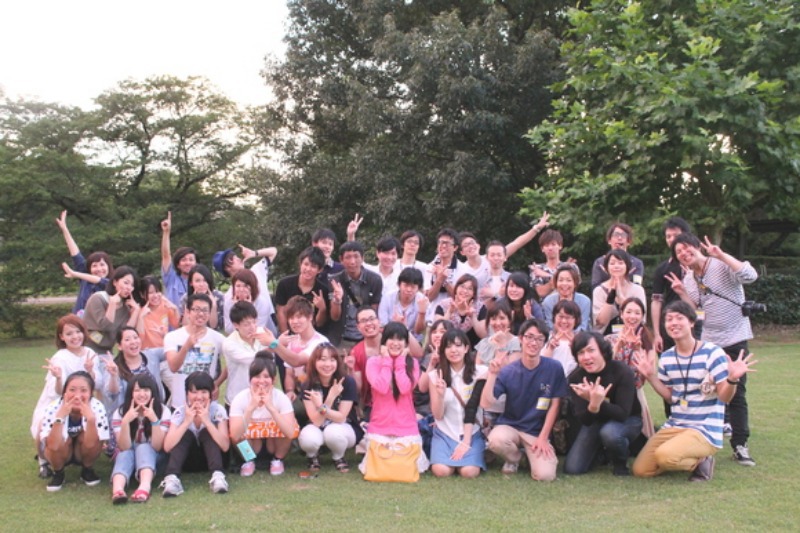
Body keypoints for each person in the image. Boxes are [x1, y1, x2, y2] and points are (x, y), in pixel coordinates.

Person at [632, 301, 757, 481]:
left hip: (704, 428)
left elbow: (725, 397)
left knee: (664, 456)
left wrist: (732, 379)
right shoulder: (666, 358)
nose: (673, 323)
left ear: (691, 322)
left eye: (679, 318)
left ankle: (702, 460)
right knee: (641, 470)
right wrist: (651, 376)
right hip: (676, 424)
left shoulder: (712, 353)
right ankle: (687, 457)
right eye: (669, 319)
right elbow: (670, 397)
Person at [669, 233, 760, 466]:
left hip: (735, 337)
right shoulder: (689, 279)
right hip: (710, 341)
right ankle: (705, 438)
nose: (684, 253)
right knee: (707, 390)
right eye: (679, 252)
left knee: (736, 392)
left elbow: (750, 276)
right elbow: (696, 312)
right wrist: (681, 292)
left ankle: (740, 444)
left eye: (686, 248)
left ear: (697, 246)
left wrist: (722, 255)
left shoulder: (720, 264)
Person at [480, 319, 567, 481]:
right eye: (529, 337)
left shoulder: (554, 368)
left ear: (544, 342)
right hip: (510, 427)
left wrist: (543, 437)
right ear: (521, 338)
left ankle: (530, 455)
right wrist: (492, 374)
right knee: (495, 440)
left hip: (536, 432)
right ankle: (514, 459)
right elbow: (485, 403)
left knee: (545, 476)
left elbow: (555, 405)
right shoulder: (508, 371)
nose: (533, 343)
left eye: (539, 339)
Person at [564, 332, 642, 476]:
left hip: (628, 419)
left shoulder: (622, 371)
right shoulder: (576, 377)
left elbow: (622, 413)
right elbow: (585, 420)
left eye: (591, 350)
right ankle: (602, 454)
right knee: (573, 468)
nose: (586, 357)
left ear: (603, 351)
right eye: (581, 353)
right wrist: (593, 405)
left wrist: (596, 401)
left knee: (610, 433)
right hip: (595, 421)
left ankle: (620, 462)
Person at [31, 315, 98, 477]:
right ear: (62, 337)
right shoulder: (60, 357)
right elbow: (56, 391)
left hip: (82, 401)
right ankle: (43, 462)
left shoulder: (90, 353)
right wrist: (59, 377)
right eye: (69, 334)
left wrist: (91, 371)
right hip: (57, 401)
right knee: (42, 427)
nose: (75, 337)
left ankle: (82, 459)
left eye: (78, 331)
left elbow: (95, 384)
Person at [360, 322, 430, 477]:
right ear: (384, 341)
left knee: (404, 465)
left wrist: (400, 362)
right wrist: (387, 361)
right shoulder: (373, 362)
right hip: (380, 426)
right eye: (391, 338)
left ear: (406, 343)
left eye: (400, 339)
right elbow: (381, 387)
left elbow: (404, 388)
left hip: (406, 427)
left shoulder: (413, 364)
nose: (396, 343)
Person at [428, 329, 488, 478]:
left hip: (471, 433)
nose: (453, 350)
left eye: (458, 345)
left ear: (466, 348)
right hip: (445, 432)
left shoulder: (480, 372)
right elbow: (438, 415)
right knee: (441, 471)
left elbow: (479, 406)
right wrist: (440, 395)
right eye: (448, 346)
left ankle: (473, 454)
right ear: (443, 351)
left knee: (469, 472)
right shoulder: (435, 376)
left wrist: (466, 442)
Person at [161, 372, 230, 496]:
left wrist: (207, 422)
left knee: (207, 432)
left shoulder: (217, 410)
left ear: (211, 394)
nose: (199, 397)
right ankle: (172, 478)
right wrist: (187, 422)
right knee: (185, 433)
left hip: (213, 459)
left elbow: (225, 446)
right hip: (188, 460)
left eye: (204, 392)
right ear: (187, 394)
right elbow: (167, 446)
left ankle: (218, 477)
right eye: (194, 392)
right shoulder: (180, 412)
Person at [229, 355, 299, 477]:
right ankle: (249, 460)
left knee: (288, 425)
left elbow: (290, 432)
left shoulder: (281, 398)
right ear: (250, 379)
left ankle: (277, 459)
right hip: (252, 443)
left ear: (273, 380)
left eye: (266, 377)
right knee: (238, 429)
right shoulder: (240, 398)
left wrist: (271, 407)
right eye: (257, 376)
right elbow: (235, 435)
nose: (261, 381)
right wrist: (251, 408)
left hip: (273, 443)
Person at [39, 371, 109, 492]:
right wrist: (59, 417)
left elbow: (92, 444)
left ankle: (87, 469)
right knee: (58, 440)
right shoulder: (53, 407)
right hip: (62, 451)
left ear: (91, 393)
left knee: (96, 438)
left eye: (83, 390)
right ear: (64, 392)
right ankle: (58, 473)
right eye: (72, 390)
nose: (77, 396)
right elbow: (53, 445)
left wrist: (91, 419)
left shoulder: (97, 407)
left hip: (82, 451)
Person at [299, 344, 360, 473]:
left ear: (337, 362)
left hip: (344, 427)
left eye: (332, 360)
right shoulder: (308, 385)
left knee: (332, 432)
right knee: (308, 439)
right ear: (314, 362)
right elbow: (317, 421)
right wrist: (330, 398)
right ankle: (312, 456)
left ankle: (338, 456)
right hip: (318, 426)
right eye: (322, 359)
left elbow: (341, 417)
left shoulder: (347, 382)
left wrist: (321, 406)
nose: (328, 364)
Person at [110, 374, 170, 504]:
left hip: (154, 459)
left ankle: (144, 487)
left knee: (144, 447)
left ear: (153, 392)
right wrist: (125, 422)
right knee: (124, 453)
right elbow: (124, 447)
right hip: (129, 458)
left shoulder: (163, 411)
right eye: (137, 390)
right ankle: (118, 490)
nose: (142, 394)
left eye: (146, 390)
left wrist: (154, 420)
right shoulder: (120, 412)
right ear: (130, 393)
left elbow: (158, 446)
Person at [605, 297, 656, 438]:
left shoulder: (647, 342)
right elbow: (604, 369)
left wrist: (638, 350)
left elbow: (645, 378)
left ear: (642, 316)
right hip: (611, 395)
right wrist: (617, 347)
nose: (632, 316)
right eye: (628, 312)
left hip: (635, 396)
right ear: (621, 314)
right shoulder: (608, 340)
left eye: (637, 313)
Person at [163, 293, 226, 408]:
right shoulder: (172, 337)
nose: (201, 314)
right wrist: (186, 346)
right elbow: (173, 367)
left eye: (205, 310)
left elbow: (232, 362)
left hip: (207, 404)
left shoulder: (218, 338)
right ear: (187, 312)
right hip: (180, 404)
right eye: (196, 309)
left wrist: (217, 383)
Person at [55, 210, 112, 316]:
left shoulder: (113, 283)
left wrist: (75, 274)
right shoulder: (85, 280)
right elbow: (76, 254)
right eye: (94, 266)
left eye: (102, 264)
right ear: (89, 269)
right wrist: (65, 230)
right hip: (79, 322)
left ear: (108, 266)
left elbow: (100, 281)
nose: (99, 269)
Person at [328, 241, 383, 350]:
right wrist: (337, 300)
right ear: (341, 259)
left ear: (362, 258)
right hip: (341, 339)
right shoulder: (334, 280)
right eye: (348, 257)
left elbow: (374, 311)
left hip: (366, 338)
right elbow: (334, 317)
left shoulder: (374, 280)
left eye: (356, 256)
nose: (352, 261)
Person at [651, 217, 693, 352]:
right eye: (668, 236)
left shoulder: (697, 265)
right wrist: (656, 333)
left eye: (675, 235)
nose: (671, 239)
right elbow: (656, 301)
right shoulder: (662, 269)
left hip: (695, 322)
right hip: (670, 324)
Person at [104, 326, 167, 413]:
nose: (133, 342)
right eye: (127, 339)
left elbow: (173, 351)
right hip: (127, 414)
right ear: (119, 346)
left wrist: (166, 337)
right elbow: (112, 394)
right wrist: (113, 376)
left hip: (155, 410)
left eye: (135, 337)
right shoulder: (114, 367)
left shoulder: (151, 355)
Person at [222, 301, 272, 408]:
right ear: (236, 325)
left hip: (263, 398)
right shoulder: (229, 343)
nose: (252, 327)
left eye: (254, 322)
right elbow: (254, 359)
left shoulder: (262, 333)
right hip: (237, 399)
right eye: (246, 324)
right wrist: (274, 345)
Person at [83, 266, 141, 353]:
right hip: (87, 348)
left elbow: (126, 331)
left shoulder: (124, 307)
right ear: (115, 282)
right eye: (126, 283)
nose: (129, 288)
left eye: (132, 285)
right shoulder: (98, 298)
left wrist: (136, 311)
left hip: (107, 351)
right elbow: (106, 326)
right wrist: (112, 305)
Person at [273, 246, 329, 333]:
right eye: (306, 264)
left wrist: (322, 309)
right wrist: (286, 335)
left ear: (320, 270)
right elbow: (281, 313)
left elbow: (319, 323)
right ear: (300, 263)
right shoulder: (284, 284)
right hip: (289, 333)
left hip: (311, 335)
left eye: (313, 266)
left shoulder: (322, 290)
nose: (308, 269)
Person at [592, 250, 646, 335]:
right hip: (606, 337)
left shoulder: (638, 290)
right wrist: (610, 298)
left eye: (620, 263)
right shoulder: (599, 290)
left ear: (627, 266)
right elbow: (600, 323)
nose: (616, 266)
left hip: (633, 335)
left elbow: (642, 320)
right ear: (606, 267)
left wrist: (621, 298)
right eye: (612, 263)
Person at [434, 273, 487, 346]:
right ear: (456, 288)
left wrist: (473, 316)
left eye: (470, 289)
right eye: (462, 286)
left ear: (474, 293)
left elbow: (483, 335)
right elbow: (438, 331)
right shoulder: (444, 305)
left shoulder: (480, 307)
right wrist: (449, 312)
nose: (465, 291)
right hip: (447, 348)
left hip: (473, 349)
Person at [378, 266, 429, 339]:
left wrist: (422, 313)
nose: (409, 289)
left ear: (418, 288)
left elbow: (418, 331)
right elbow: (382, 325)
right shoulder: (387, 298)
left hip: (413, 339)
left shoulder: (423, 300)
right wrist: (395, 325)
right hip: (389, 337)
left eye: (413, 287)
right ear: (399, 285)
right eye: (406, 285)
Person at [222, 269, 277, 335]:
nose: (241, 289)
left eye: (245, 286)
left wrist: (247, 308)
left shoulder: (262, 303)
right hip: (238, 337)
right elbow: (228, 329)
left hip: (264, 336)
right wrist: (236, 309)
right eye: (238, 286)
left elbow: (257, 330)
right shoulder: (229, 301)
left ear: (253, 287)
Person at [591, 222, 645, 290]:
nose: (619, 238)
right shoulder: (600, 262)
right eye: (616, 235)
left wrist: (623, 277)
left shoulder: (637, 263)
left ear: (629, 242)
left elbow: (637, 287)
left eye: (623, 235)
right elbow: (595, 288)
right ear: (609, 240)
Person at [160, 212, 197, 307]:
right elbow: (166, 255)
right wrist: (166, 232)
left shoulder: (200, 281)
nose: (188, 263)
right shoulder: (171, 278)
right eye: (184, 260)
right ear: (178, 264)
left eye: (191, 259)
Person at [529, 228, 577, 300]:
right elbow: (540, 292)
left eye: (553, 244)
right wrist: (558, 278)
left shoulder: (571, 266)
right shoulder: (537, 268)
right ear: (542, 249)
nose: (550, 248)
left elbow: (573, 287)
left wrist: (546, 275)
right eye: (547, 245)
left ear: (560, 246)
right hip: (545, 306)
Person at [542, 265, 591, 332]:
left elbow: (582, 327)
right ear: (556, 283)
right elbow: (550, 326)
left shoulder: (584, 301)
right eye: (561, 280)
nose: (564, 283)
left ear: (575, 283)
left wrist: (569, 336)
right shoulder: (548, 301)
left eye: (568, 280)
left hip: (579, 336)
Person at [137, 276, 180, 351]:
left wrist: (175, 309)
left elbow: (178, 326)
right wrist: (141, 317)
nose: (155, 296)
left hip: (164, 350)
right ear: (142, 294)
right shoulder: (138, 311)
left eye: (157, 291)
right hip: (147, 352)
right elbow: (139, 339)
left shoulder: (165, 305)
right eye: (150, 293)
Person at [425, 228, 462, 313]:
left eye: (447, 243)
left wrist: (445, 280)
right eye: (441, 242)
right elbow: (429, 297)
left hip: (453, 314)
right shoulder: (429, 267)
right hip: (432, 314)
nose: (443, 246)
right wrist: (439, 280)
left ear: (455, 247)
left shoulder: (463, 268)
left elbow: (460, 297)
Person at [540, 300, 581, 377]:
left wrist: (576, 347)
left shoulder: (582, 340)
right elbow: (541, 366)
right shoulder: (544, 338)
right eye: (560, 317)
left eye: (568, 317)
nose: (564, 321)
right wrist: (550, 348)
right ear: (554, 318)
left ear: (576, 320)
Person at [180, 264, 225, 331]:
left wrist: (213, 306)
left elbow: (213, 326)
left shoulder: (218, 296)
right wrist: (189, 304)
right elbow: (185, 326)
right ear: (191, 283)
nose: (201, 284)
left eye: (205, 280)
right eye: (197, 281)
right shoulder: (185, 298)